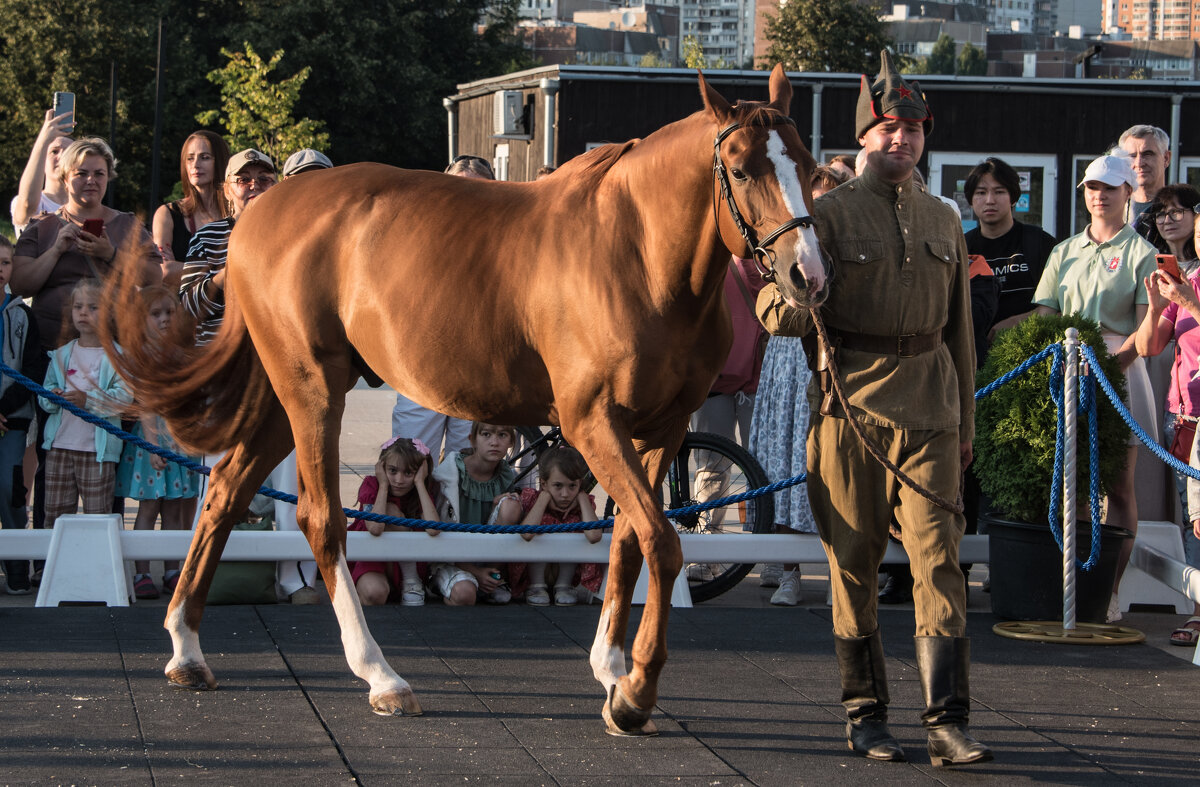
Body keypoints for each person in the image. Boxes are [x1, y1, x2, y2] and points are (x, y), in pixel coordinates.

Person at [757, 52, 990, 766]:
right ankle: (866, 715)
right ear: (866, 137)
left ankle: (946, 720)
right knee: (852, 567)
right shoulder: (821, 214)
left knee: (939, 564)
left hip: (932, 411)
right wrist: (806, 295)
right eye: (889, 128)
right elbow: (771, 309)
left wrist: (967, 427)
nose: (901, 141)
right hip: (850, 413)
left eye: (913, 130)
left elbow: (960, 334)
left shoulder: (944, 218)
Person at [12, 137, 160, 573]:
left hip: (113, 358)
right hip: (48, 354)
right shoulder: (41, 227)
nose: (90, 181)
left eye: (98, 173)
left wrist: (111, 254)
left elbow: (156, 276)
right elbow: (20, 282)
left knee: (105, 449)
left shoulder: (125, 226)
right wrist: (57, 249)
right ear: (64, 176)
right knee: (48, 455)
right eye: (81, 172)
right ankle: (47, 563)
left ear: (108, 176)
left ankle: (103, 564)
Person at [179, 149, 319, 604]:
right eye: (244, 179)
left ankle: (296, 580)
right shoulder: (209, 236)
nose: (255, 185)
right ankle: (211, 580)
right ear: (227, 190)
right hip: (225, 377)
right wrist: (229, 272)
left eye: (264, 177)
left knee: (291, 481)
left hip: (285, 374)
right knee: (222, 480)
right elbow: (187, 307)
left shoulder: (299, 238)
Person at [1034, 153, 1158, 624]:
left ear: (1128, 192)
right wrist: (1060, 359)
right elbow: (1045, 316)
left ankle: (1110, 591)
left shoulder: (1142, 253)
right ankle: (1076, 589)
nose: (1099, 195)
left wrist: (1107, 361)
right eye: (1091, 187)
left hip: (1120, 370)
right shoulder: (1063, 250)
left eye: (1109, 187)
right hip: (1066, 369)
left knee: (1119, 488)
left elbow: (1147, 328)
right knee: (1074, 485)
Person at [752, 164, 847, 605]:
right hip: (790, 361)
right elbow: (776, 311)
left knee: (838, 471)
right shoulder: (787, 247)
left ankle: (838, 574)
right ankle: (788, 570)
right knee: (786, 459)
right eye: (815, 199)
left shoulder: (849, 249)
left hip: (837, 363)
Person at [389, 155, 493, 458]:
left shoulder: (506, 244)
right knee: (409, 461)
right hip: (422, 368)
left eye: (480, 191)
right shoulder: (414, 236)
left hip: (482, 372)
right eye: (458, 189)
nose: (468, 200)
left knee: (473, 468)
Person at [1134, 196, 1200, 645]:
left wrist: (1192, 304)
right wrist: (1157, 303)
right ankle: (1199, 610)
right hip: (1183, 413)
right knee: (1195, 519)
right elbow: (1150, 346)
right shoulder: (1190, 278)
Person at [114, 286, 200, 600]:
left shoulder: (181, 353)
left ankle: (173, 570)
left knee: (177, 510)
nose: (164, 319)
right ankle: (142, 572)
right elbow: (146, 402)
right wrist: (152, 444)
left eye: (169, 312)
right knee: (149, 508)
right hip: (154, 439)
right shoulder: (142, 355)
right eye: (156, 314)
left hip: (179, 439)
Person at [38, 279, 131, 530]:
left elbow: (124, 399)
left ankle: (100, 568)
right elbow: (44, 393)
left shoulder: (118, 357)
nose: (83, 313)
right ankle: (52, 568)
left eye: (93, 307)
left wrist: (87, 401)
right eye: (78, 306)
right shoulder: (60, 354)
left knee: (98, 517)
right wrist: (52, 397)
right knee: (55, 515)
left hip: (97, 452)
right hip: (59, 447)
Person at [964, 157, 1058, 339]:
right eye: (981, 192)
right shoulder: (961, 247)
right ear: (971, 199)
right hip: (974, 357)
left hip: (1030, 352)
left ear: (1013, 197)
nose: (990, 200)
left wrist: (1017, 323)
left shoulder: (1039, 242)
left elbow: (1060, 306)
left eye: (999, 192)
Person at [499, 444, 602, 606]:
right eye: (558, 486)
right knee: (544, 521)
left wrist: (582, 497)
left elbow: (594, 535)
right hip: (533, 574)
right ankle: (537, 585)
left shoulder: (584, 503)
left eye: (572, 486)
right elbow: (527, 533)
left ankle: (564, 585)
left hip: (564, 574)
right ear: (544, 484)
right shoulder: (533, 498)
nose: (565, 494)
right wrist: (544, 498)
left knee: (573, 524)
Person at [349, 437, 446, 606]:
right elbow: (375, 527)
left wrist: (419, 483)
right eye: (392, 471)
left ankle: (411, 579)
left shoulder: (420, 490)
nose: (399, 480)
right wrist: (383, 486)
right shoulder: (372, 485)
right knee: (374, 593)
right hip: (373, 559)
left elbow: (433, 529)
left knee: (392, 510)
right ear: (381, 467)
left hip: (408, 566)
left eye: (408, 473)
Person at [428, 422, 517, 605]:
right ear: (472, 440)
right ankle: (444, 586)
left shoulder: (506, 476)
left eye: (502, 435)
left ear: (511, 442)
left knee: (511, 505)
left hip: (486, 557)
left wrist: (496, 506)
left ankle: (492, 578)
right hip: (450, 558)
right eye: (486, 434)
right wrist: (474, 572)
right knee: (465, 595)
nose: (494, 442)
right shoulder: (449, 474)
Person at [0, 236, 42, 595]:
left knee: (9, 488)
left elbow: (30, 369)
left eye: (5, 262)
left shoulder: (21, 315)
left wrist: (2, 408)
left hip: (11, 418)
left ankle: (16, 567)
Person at [151, 131, 231, 287]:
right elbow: (164, 270)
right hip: (184, 308)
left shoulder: (235, 213)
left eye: (205, 157)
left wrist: (183, 268)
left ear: (221, 162)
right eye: (190, 158)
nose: (195, 165)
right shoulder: (168, 214)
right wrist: (223, 269)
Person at [10, 107, 73, 234]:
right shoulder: (30, 202)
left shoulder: (85, 207)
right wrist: (43, 140)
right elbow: (28, 204)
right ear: (42, 161)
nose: (61, 157)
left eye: (68, 153)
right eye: (54, 151)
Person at [1118, 124, 1170, 237]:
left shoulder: (1181, 212)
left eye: (1147, 154)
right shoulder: (1114, 210)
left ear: (1166, 158)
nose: (1139, 163)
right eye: (1132, 156)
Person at [1143, 184, 1200, 267]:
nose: (1167, 221)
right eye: (1160, 214)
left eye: (1175, 212)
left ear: (1195, 214)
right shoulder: (1148, 262)